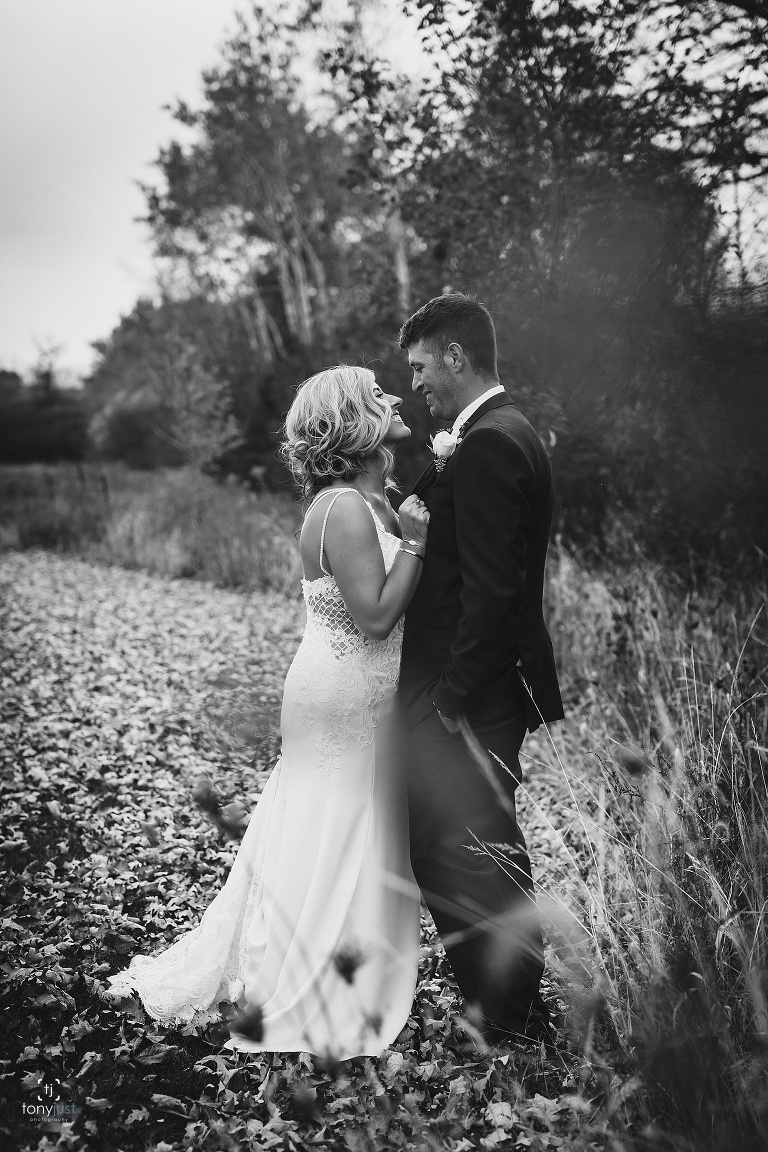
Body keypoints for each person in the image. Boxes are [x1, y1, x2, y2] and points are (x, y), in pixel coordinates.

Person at [102, 366, 430, 1060]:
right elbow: (374, 617)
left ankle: (351, 968)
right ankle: (311, 980)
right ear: (353, 418)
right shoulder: (343, 508)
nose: (396, 397)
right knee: (333, 829)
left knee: (355, 830)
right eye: (379, 394)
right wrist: (417, 544)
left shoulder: (378, 498)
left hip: (366, 689)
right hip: (341, 692)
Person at [396, 293, 564, 1045]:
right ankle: (507, 1008)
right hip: (476, 688)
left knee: (462, 849)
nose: (415, 383)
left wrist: (449, 699)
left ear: (456, 356)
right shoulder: (502, 431)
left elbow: (493, 591)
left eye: (421, 366)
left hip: (470, 693)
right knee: (476, 844)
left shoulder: (492, 442)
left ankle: (512, 1015)